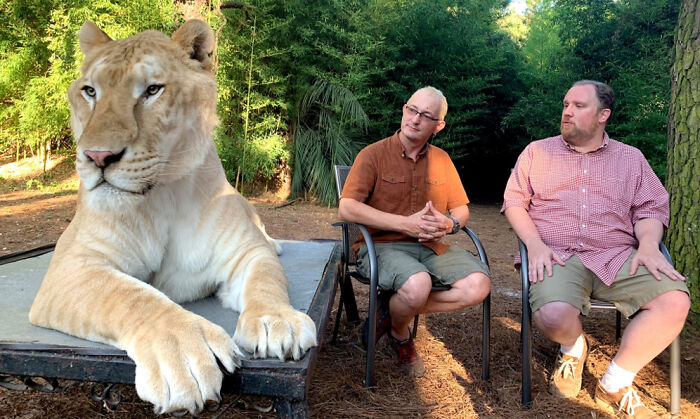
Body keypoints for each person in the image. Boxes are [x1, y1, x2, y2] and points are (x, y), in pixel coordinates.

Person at [502, 80, 689, 417]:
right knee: (554, 314)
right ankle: (573, 348)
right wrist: (534, 244)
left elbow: (650, 209)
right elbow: (514, 202)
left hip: (616, 254)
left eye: (578, 105)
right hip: (556, 253)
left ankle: (616, 382)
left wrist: (648, 246)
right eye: (565, 104)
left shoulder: (631, 158)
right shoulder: (537, 151)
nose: (567, 112)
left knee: (674, 300)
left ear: (603, 114)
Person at [338, 86, 491, 377]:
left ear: (439, 126)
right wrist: (404, 224)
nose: (415, 119)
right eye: (412, 109)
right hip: (379, 247)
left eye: (426, 115)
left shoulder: (442, 160)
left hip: (430, 248)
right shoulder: (373, 155)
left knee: (479, 286)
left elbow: (462, 210)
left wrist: (451, 224)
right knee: (417, 285)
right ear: (404, 109)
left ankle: (392, 314)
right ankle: (401, 334)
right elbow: (346, 208)